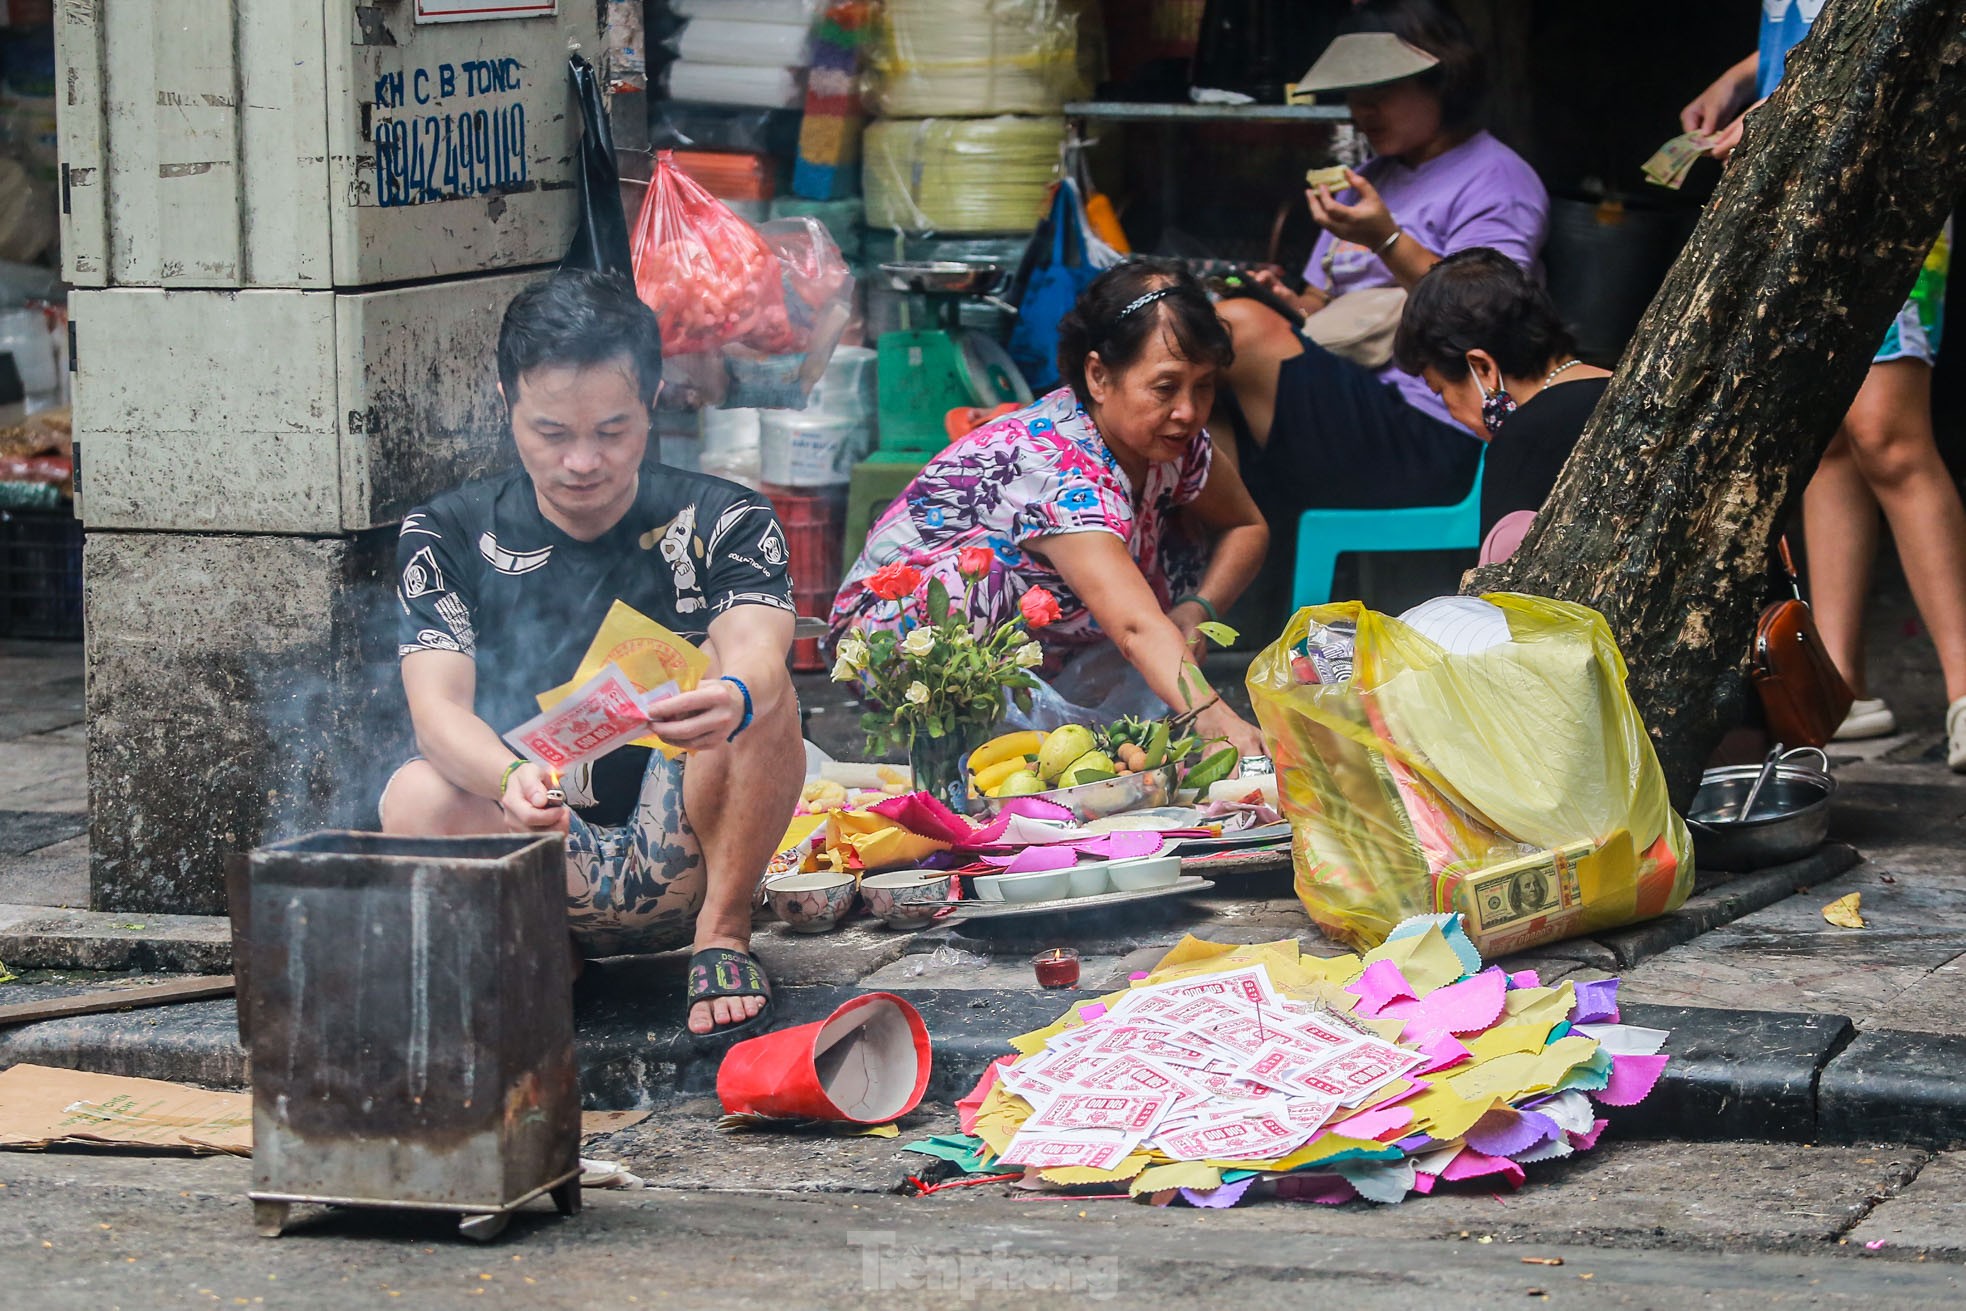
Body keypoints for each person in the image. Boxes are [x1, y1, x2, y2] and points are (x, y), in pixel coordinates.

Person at [380, 270, 802, 1038]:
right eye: (552, 433)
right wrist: (507, 778)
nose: (582, 461)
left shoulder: (724, 514)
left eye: (610, 431)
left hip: (688, 831)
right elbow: (435, 708)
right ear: (506, 405)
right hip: (536, 839)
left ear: (652, 403)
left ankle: (724, 933)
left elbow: (757, 640)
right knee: (413, 795)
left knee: (764, 693)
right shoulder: (446, 532)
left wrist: (736, 693)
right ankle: (546, 949)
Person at [830, 259, 1270, 756]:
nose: (1189, 410)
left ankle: (1060, 741)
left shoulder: (1175, 442)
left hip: (1043, 649)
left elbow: (1246, 526)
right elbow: (1133, 628)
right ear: (1099, 376)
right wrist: (1215, 721)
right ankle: (965, 749)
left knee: (1162, 590)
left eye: (1204, 386)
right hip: (891, 645)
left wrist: (1197, 608)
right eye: (1165, 387)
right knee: (984, 583)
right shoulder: (1055, 465)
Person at [1683, 3, 1966, 767]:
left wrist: (1775, 118)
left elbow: (1895, 45)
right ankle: (1839, 690)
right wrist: (1739, 79)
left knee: (1889, 435)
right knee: (1827, 435)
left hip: (1884, 185)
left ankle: (1965, 691)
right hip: (1801, 184)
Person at [1216, 0, 1549, 515]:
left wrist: (1386, 240)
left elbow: (1489, 314)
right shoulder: (1373, 177)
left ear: (1443, 82)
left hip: (1433, 426)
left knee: (1230, 331)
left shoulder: (1497, 179)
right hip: (1347, 397)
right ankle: (1232, 554)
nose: (1361, 111)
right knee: (1199, 347)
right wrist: (1281, 305)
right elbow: (1317, 305)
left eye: (1381, 92)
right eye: (1354, 94)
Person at [1391, 247, 1611, 558]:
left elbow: (1498, 594)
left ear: (1482, 367)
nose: (1451, 412)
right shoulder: (1623, 387)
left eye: (1439, 390)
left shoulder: (1523, 439)